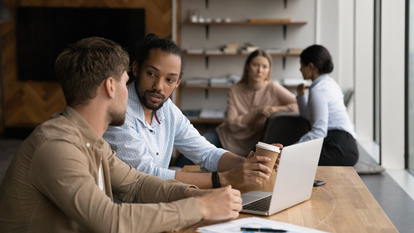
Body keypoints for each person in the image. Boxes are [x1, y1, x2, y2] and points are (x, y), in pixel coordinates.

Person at [0, 37, 243, 233]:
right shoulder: (56, 146)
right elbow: (110, 221)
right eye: (125, 81)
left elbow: (136, 184)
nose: (129, 93)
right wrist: (199, 206)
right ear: (110, 86)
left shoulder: (91, 140)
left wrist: (193, 193)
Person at [104, 34, 276, 190]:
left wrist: (250, 165)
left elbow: (207, 153)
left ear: (178, 82)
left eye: (169, 80)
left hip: (159, 202)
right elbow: (147, 174)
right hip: (129, 213)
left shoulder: (168, 110)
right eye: (151, 74)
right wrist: (223, 179)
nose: (158, 86)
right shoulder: (119, 112)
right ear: (136, 69)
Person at [214, 50, 299, 156]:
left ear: (269, 70)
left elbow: (300, 104)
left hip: (252, 145)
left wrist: (273, 111)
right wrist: (257, 112)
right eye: (255, 65)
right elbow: (232, 125)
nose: (259, 70)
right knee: (192, 152)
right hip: (225, 138)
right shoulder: (234, 90)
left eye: (264, 67)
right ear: (247, 66)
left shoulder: (273, 87)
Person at [296, 44, 359, 166]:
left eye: (301, 65)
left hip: (338, 147)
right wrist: (301, 96)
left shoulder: (319, 90)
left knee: (294, 159)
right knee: (295, 158)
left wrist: (292, 148)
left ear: (311, 66)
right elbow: (308, 117)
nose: (300, 69)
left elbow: (319, 131)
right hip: (343, 143)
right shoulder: (328, 83)